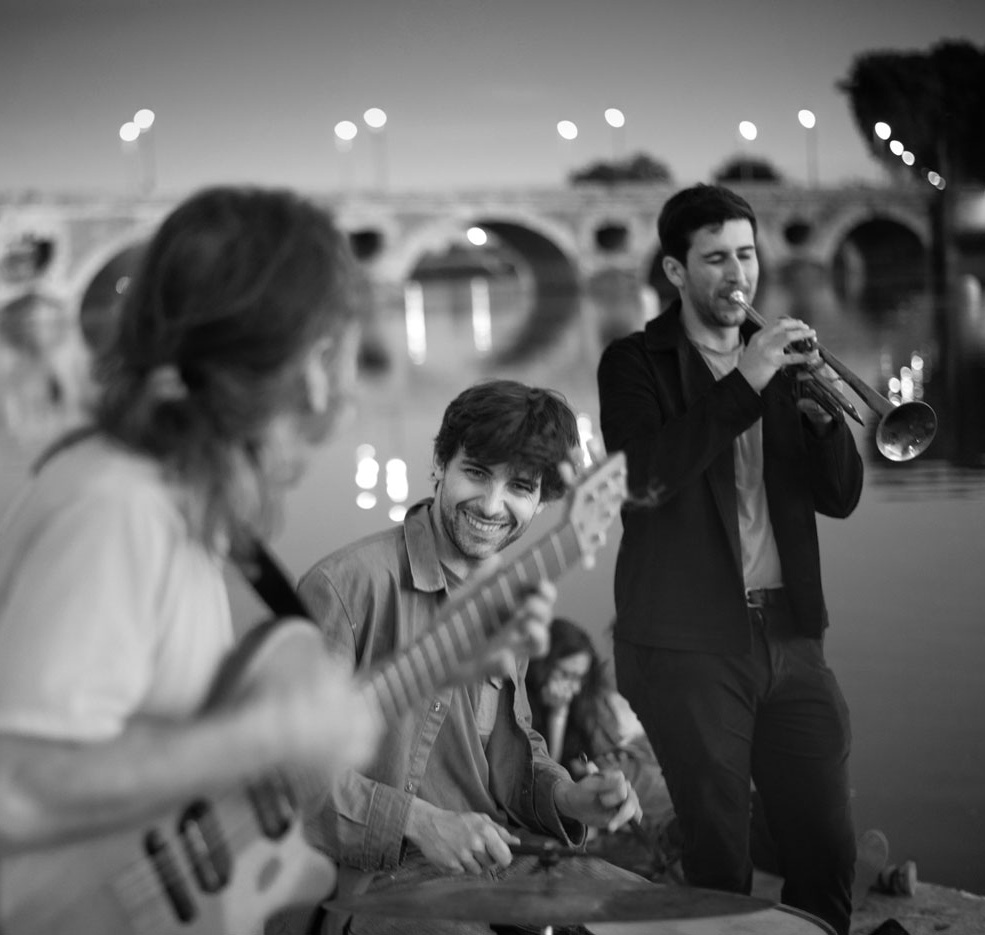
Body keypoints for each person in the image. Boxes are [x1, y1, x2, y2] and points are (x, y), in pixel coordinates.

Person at [0, 186, 383, 933]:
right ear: (304, 365)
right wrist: (271, 733)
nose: (338, 387)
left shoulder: (171, 495)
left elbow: (151, 739)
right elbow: (3, 794)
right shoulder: (116, 506)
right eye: (332, 346)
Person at [597, 183, 864, 934]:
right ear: (677, 271)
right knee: (719, 856)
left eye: (746, 254)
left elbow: (840, 496)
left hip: (791, 635)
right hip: (687, 644)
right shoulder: (634, 363)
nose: (736, 273)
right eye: (715, 258)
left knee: (826, 845)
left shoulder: (782, 363)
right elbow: (645, 479)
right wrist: (748, 380)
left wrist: (819, 419)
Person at [297, 379, 642, 935]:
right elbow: (289, 777)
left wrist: (570, 798)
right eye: (477, 473)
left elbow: (508, 757)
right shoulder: (345, 587)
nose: (491, 504)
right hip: (375, 885)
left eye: (520, 487)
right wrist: (421, 822)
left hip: (500, 864)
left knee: (662, 921)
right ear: (440, 463)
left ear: (542, 499)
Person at [524, 617, 678, 880]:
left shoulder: (585, 708)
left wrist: (563, 712)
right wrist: (557, 714)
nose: (573, 686)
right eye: (564, 674)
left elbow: (577, 760)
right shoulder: (521, 701)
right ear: (543, 665)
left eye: (580, 678)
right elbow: (543, 765)